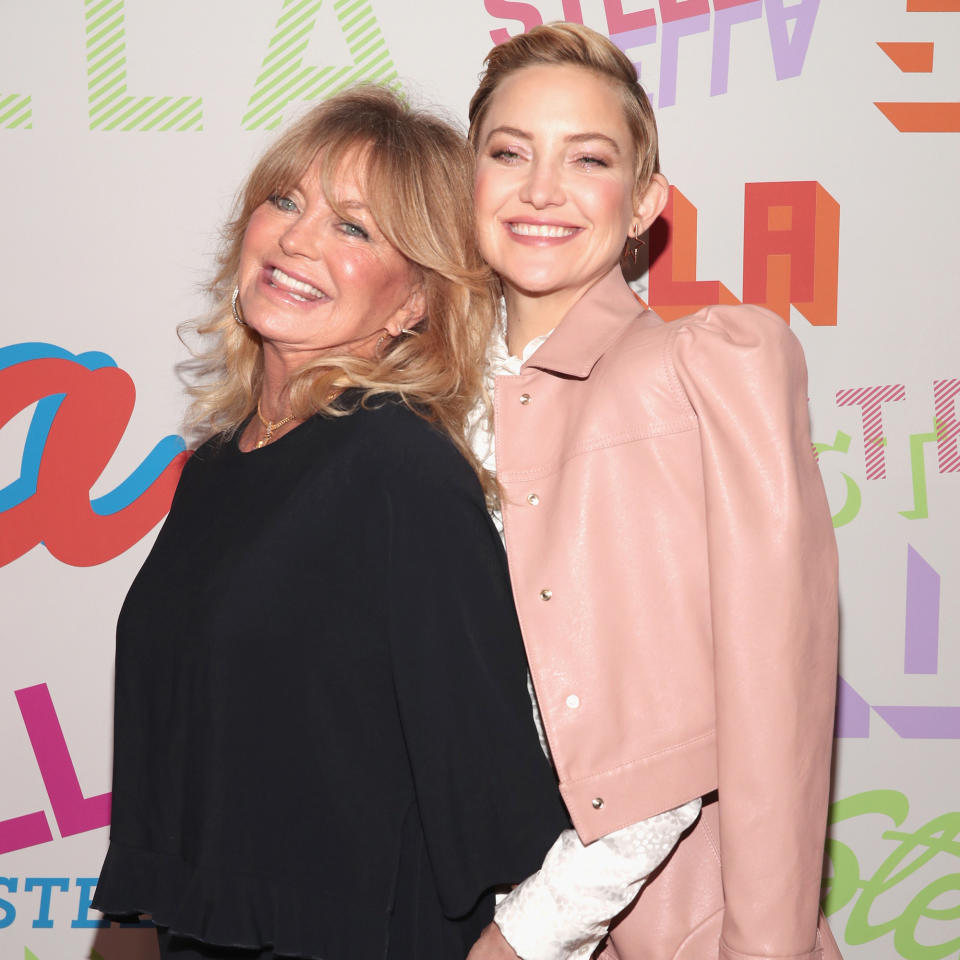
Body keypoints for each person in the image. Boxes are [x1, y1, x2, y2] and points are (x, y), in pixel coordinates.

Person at [91, 85, 570, 960]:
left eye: (354, 227)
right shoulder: (213, 470)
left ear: (413, 303)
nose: (297, 238)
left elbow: (496, 807)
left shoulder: (401, 474)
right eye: (285, 200)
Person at [463, 23, 842, 960]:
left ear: (644, 204)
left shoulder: (701, 370)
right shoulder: (428, 403)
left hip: (667, 926)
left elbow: (765, 698)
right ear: (466, 181)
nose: (542, 189)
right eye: (510, 152)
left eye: (588, 159)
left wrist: (526, 937)